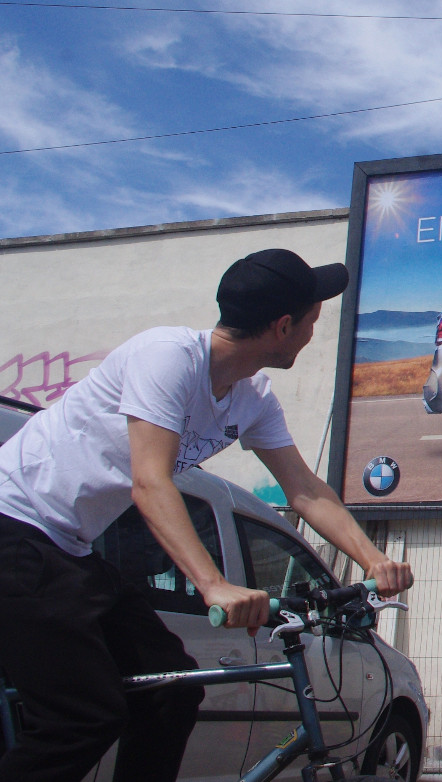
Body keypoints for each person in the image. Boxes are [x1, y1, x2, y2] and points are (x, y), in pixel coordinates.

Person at [0, 248, 414, 782]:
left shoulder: (253, 398)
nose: (314, 332)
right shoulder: (167, 356)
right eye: (313, 319)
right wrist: (214, 585)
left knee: (171, 690)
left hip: (68, 548)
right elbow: (150, 481)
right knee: (81, 717)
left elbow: (305, 490)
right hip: (13, 527)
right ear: (284, 326)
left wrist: (374, 560)